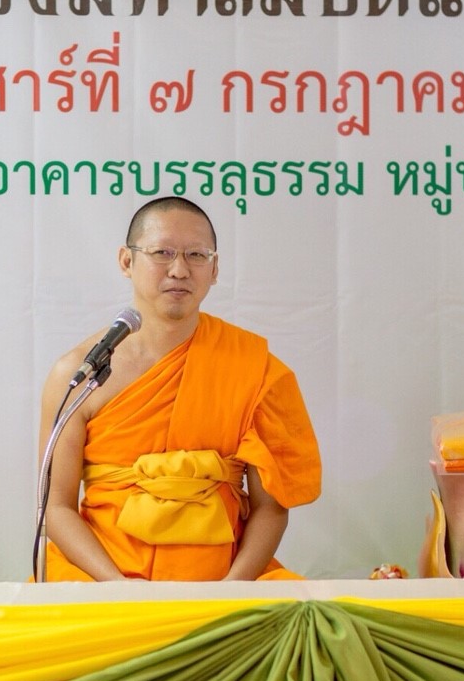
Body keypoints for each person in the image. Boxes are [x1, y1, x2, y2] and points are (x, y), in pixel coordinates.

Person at [39, 197, 321, 581]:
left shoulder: (257, 369)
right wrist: (118, 589)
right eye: (162, 253)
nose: (179, 270)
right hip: (100, 580)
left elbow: (270, 508)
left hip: (225, 580)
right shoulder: (79, 374)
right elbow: (56, 507)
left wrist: (230, 589)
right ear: (126, 261)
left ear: (214, 269)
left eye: (196, 255)